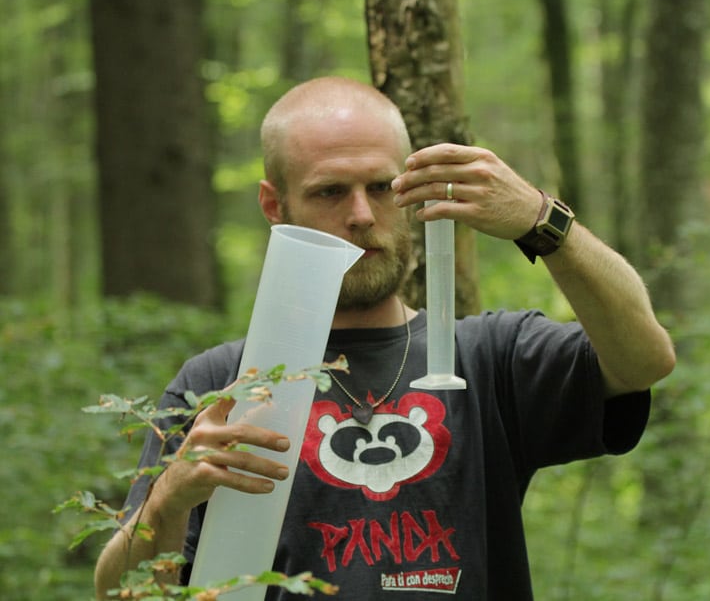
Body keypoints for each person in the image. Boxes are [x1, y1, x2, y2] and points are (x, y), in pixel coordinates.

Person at [94, 76, 675, 600]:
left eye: (380, 186)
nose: (362, 214)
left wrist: (541, 221)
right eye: (329, 192)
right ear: (275, 204)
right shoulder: (218, 385)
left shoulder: (489, 357)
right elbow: (126, 597)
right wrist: (167, 498)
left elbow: (644, 359)